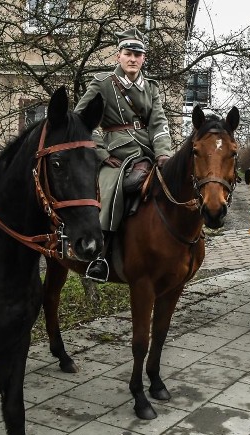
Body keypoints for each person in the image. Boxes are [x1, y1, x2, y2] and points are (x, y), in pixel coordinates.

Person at [74, 28, 173, 282]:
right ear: (118, 56)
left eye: (137, 55)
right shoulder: (103, 84)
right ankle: (100, 254)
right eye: (128, 53)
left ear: (143, 59)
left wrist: (163, 153)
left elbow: (159, 123)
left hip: (147, 150)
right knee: (116, 185)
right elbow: (80, 120)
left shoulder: (151, 88)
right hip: (116, 151)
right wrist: (100, 151)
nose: (132, 59)